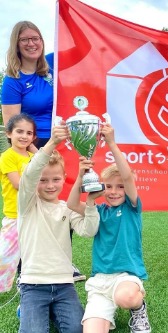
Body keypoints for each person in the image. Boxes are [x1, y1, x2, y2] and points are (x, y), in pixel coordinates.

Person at [1, 20, 86, 282]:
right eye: (25, 39)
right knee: (36, 205)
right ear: (16, 44)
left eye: (36, 37)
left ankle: (63, 262)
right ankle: (26, 265)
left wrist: (72, 17)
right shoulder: (13, 81)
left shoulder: (50, 64)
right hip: (34, 148)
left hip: (62, 143)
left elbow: (83, 48)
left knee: (60, 203)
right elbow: (12, 125)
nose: (31, 43)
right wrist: (40, 154)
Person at [67, 123, 151, 333]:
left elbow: (128, 176)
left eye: (120, 186)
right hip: (100, 281)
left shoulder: (131, 207)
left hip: (126, 277)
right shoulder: (98, 210)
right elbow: (70, 204)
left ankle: (139, 308)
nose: (114, 192)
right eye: (109, 186)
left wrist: (112, 143)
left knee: (126, 297)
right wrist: (80, 176)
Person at [16, 122, 100, 333]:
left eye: (55, 179)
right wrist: (53, 142)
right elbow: (29, 175)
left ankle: (49, 311)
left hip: (64, 284)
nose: (50, 185)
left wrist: (90, 204)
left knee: (75, 330)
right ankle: (28, 309)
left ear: (64, 179)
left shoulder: (67, 208)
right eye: (43, 180)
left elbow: (88, 230)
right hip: (33, 285)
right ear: (35, 182)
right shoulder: (27, 204)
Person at [0, 114, 36, 293]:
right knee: (4, 255)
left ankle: (29, 284)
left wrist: (35, 151)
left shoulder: (32, 155)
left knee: (32, 253)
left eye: (29, 133)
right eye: (19, 131)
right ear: (9, 133)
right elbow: (18, 184)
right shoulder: (7, 156)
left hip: (34, 213)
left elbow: (51, 163)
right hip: (15, 215)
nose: (24, 136)